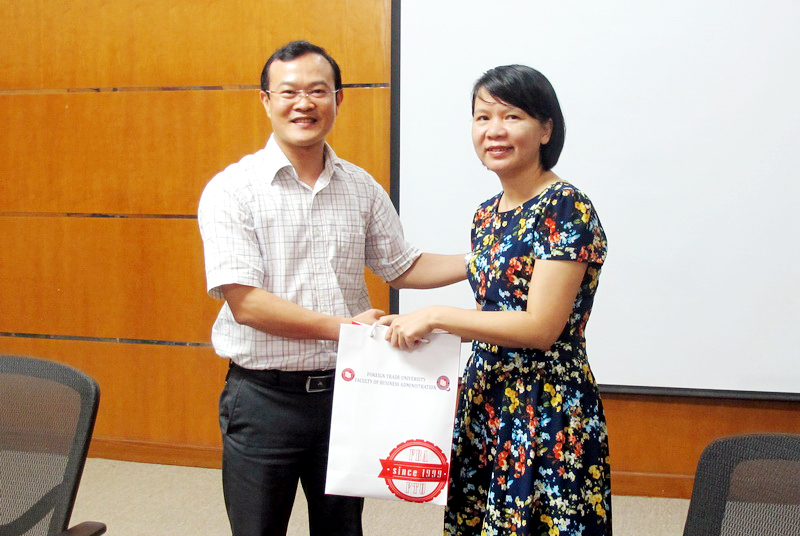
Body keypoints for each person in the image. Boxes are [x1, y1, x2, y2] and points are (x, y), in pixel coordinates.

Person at [197, 40, 466, 536]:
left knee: (342, 530)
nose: (304, 103)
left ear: (338, 99)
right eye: (289, 92)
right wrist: (347, 329)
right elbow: (247, 304)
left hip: (347, 392)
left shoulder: (360, 186)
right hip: (264, 401)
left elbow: (402, 266)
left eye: (318, 91)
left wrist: (482, 261)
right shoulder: (232, 190)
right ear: (265, 101)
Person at [380, 65, 612, 535]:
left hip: (546, 406)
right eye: (482, 117)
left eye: (512, 116)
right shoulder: (487, 215)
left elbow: (540, 328)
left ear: (545, 129)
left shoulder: (566, 205)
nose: (494, 130)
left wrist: (437, 316)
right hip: (486, 399)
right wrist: (411, 329)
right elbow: (489, 308)